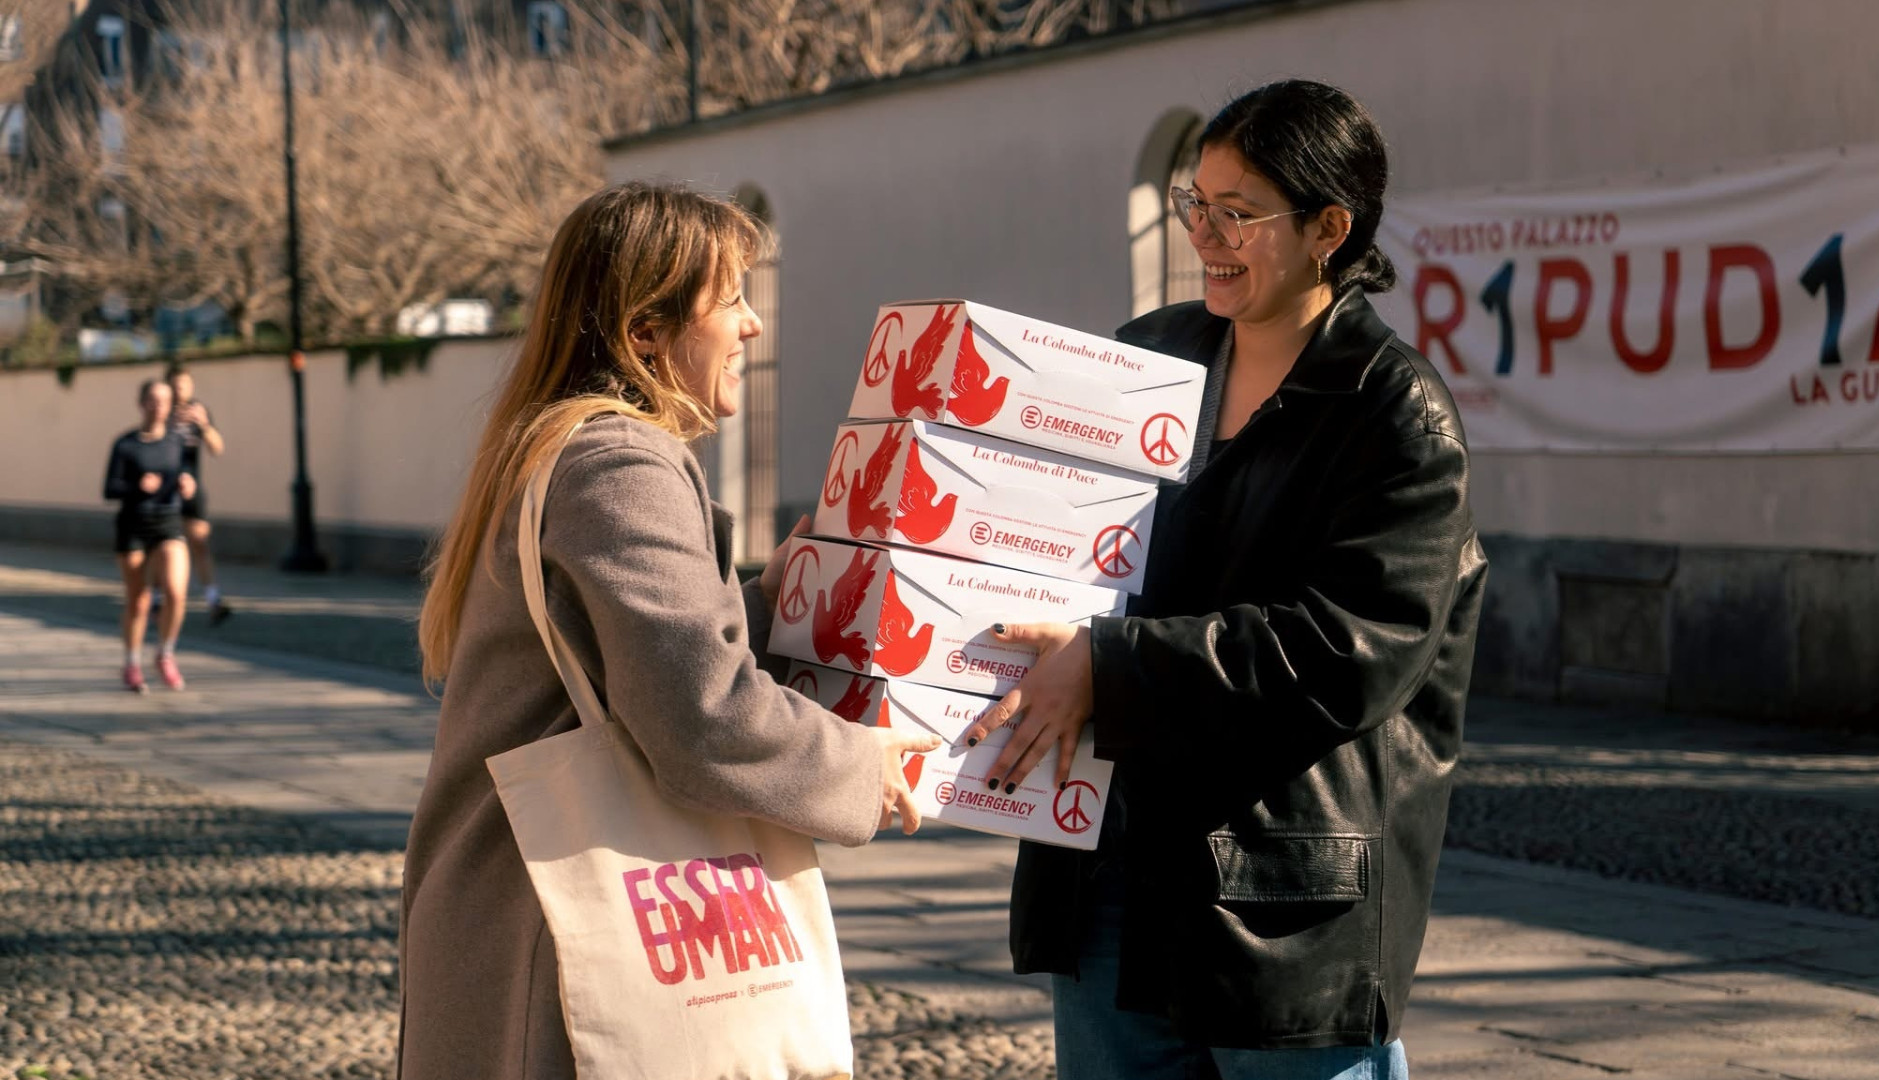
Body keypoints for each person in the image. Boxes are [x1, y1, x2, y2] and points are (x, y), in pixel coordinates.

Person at [965, 81, 1489, 1079]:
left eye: (1238, 213)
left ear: (1329, 226)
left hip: (1279, 902)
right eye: (1194, 205)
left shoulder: (1396, 416)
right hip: (1110, 873)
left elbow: (1348, 650)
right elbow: (1053, 538)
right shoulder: (1147, 359)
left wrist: (1109, 670)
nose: (1206, 234)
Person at [398, 181, 941, 1079]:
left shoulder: (564, 446)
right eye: (729, 300)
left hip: (510, 908)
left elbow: (640, 652)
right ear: (643, 332)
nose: (751, 326)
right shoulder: (618, 461)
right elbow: (702, 716)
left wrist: (781, 597)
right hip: (553, 931)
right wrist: (863, 764)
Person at [104, 378, 196, 692]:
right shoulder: (126, 444)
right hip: (133, 524)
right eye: (153, 400)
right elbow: (109, 489)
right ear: (141, 403)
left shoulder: (175, 441)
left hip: (168, 522)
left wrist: (187, 483)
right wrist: (136, 487)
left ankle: (165, 653)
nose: (158, 406)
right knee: (139, 601)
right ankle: (131, 663)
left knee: (176, 593)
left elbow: (184, 471)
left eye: (164, 401)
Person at [164, 363, 232, 624]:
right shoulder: (161, 411)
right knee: (163, 547)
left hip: (192, 487)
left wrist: (203, 425)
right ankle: (157, 598)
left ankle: (213, 598)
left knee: (199, 542)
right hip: (164, 490)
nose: (181, 389)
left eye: (185, 384)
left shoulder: (198, 412)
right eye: (176, 384)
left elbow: (217, 448)